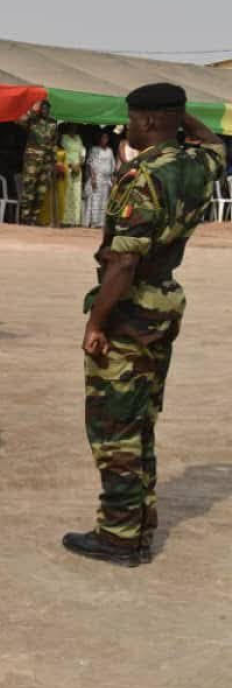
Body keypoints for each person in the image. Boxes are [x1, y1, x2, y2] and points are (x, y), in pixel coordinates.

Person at [64, 84, 225, 568]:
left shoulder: (144, 177)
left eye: (133, 119)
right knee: (140, 420)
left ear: (150, 122)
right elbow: (215, 143)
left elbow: (122, 264)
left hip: (131, 309)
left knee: (114, 425)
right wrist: (181, 119)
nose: (127, 127)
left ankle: (117, 535)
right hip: (164, 303)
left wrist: (97, 323)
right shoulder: (198, 165)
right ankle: (137, 527)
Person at [16, 99, 59, 225]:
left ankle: (34, 218)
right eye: (43, 108)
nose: (45, 111)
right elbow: (19, 121)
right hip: (32, 160)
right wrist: (32, 110)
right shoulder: (32, 120)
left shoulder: (53, 123)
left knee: (41, 191)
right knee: (29, 188)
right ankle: (25, 218)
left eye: (47, 108)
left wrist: (54, 162)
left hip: (46, 161)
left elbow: (53, 144)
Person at [83, 132, 116, 227]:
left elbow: (112, 163)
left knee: (104, 200)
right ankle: (94, 222)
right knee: (95, 199)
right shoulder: (94, 149)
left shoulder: (110, 150)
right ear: (99, 139)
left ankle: (101, 222)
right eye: (103, 138)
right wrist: (93, 177)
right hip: (97, 177)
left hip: (106, 179)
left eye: (106, 138)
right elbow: (90, 163)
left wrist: (113, 176)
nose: (105, 140)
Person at [60, 126, 86, 226]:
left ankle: (75, 220)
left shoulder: (79, 138)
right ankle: (66, 220)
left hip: (78, 168)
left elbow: (82, 152)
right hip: (67, 167)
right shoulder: (64, 137)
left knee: (76, 193)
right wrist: (70, 164)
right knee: (68, 193)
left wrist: (79, 164)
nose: (74, 127)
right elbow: (63, 152)